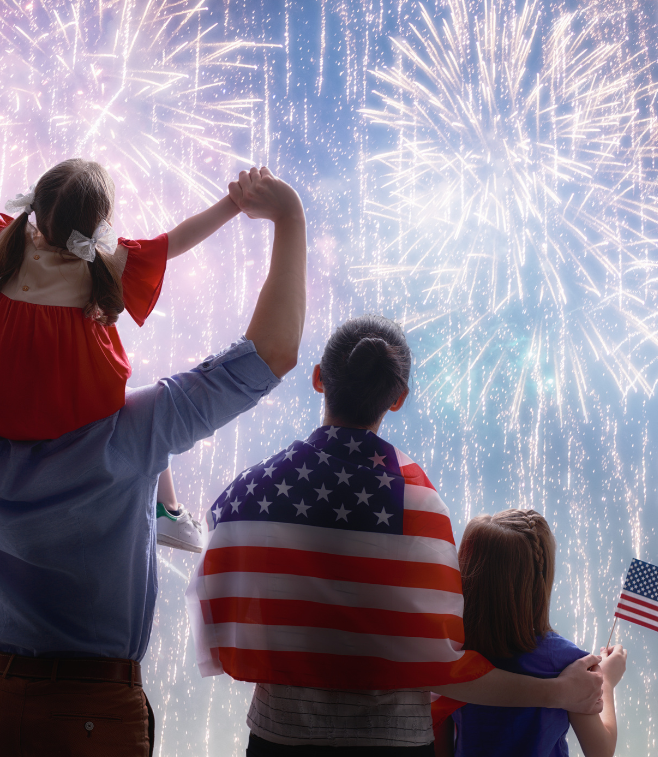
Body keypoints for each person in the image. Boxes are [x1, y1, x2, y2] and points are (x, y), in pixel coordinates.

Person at [0, 162, 306, 756]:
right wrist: (287, 218)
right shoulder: (133, 434)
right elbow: (270, 355)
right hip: (96, 716)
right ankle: (170, 516)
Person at [187, 316, 605, 755]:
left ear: (318, 379)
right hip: (392, 744)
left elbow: (226, 613)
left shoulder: (253, 491)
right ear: (398, 398)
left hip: (280, 739)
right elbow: (435, 665)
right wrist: (558, 693)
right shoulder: (418, 503)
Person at [0, 159, 244, 552]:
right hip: (71, 418)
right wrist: (234, 203)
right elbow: (176, 240)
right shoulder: (106, 261)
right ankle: (166, 512)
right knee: (149, 414)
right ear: (100, 223)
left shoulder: (12, 239)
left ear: (36, 208)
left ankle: (158, 509)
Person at [434, 510, 627, 757]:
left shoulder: (452, 653)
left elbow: (442, 743)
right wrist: (607, 682)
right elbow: (601, 751)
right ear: (541, 580)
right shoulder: (569, 663)